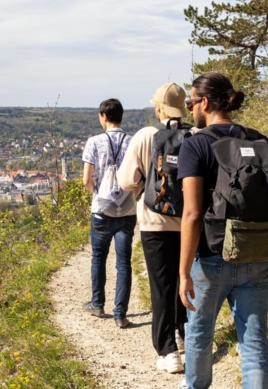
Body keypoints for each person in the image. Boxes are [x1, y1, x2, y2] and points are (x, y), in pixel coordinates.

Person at [177, 72, 268, 389]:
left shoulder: (194, 145)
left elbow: (191, 214)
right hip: (258, 253)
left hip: (211, 258)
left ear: (204, 103)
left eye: (191, 101)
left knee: (200, 331)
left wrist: (182, 271)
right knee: (253, 340)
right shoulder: (259, 139)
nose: (190, 108)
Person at [117, 83, 190, 373]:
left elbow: (125, 181)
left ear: (158, 108)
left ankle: (167, 351)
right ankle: (185, 335)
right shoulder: (194, 136)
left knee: (161, 284)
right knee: (185, 280)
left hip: (154, 220)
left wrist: (143, 189)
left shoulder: (146, 136)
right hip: (187, 221)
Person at [81, 98, 136, 328]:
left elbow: (86, 179)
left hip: (101, 211)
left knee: (99, 257)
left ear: (103, 116)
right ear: (121, 116)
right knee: (124, 262)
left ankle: (98, 304)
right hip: (127, 210)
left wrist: (98, 195)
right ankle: (120, 314)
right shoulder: (132, 142)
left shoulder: (94, 142)